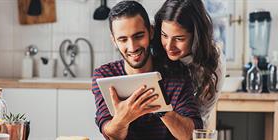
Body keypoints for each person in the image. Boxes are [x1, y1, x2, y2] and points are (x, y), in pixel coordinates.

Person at [92, 1, 202, 140]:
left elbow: (192, 135)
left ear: (151, 32)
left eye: (138, 36)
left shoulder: (177, 73)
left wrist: (161, 108)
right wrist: (123, 118)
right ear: (114, 41)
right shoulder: (104, 76)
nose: (132, 47)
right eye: (123, 39)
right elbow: (110, 133)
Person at [152, 0, 226, 128]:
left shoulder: (213, 63)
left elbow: (199, 117)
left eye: (179, 38)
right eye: (164, 35)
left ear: (196, 36)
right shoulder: (154, 46)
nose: (169, 46)